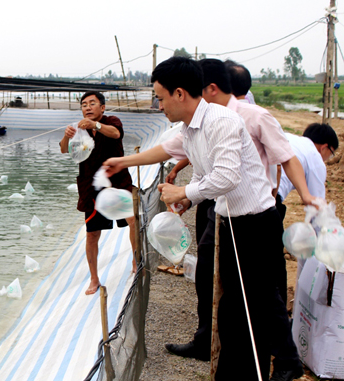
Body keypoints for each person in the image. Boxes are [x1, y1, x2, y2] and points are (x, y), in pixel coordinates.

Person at [105, 56, 294, 381]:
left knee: (258, 300)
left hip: (255, 221)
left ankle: (281, 364)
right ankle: (233, 369)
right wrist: (123, 161)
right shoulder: (190, 128)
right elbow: (165, 149)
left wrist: (184, 194)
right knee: (231, 305)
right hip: (229, 221)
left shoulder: (221, 121)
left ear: (180, 94)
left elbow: (226, 177)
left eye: (160, 97)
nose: (158, 104)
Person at [59, 90, 135, 295]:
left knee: (132, 221)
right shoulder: (78, 129)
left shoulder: (112, 121)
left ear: (102, 107)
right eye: (84, 104)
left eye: (92, 103)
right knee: (92, 234)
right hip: (90, 187)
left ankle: (137, 262)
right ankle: (94, 279)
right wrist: (66, 137)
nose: (87, 107)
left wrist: (96, 125)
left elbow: (115, 134)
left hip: (117, 182)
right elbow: (64, 150)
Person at [277, 123, 339, 219]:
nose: (327, 159)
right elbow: (317, 206)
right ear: (324, 148)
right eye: (331, 154)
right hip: (269, 196)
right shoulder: (315, 157)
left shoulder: (288, 137)